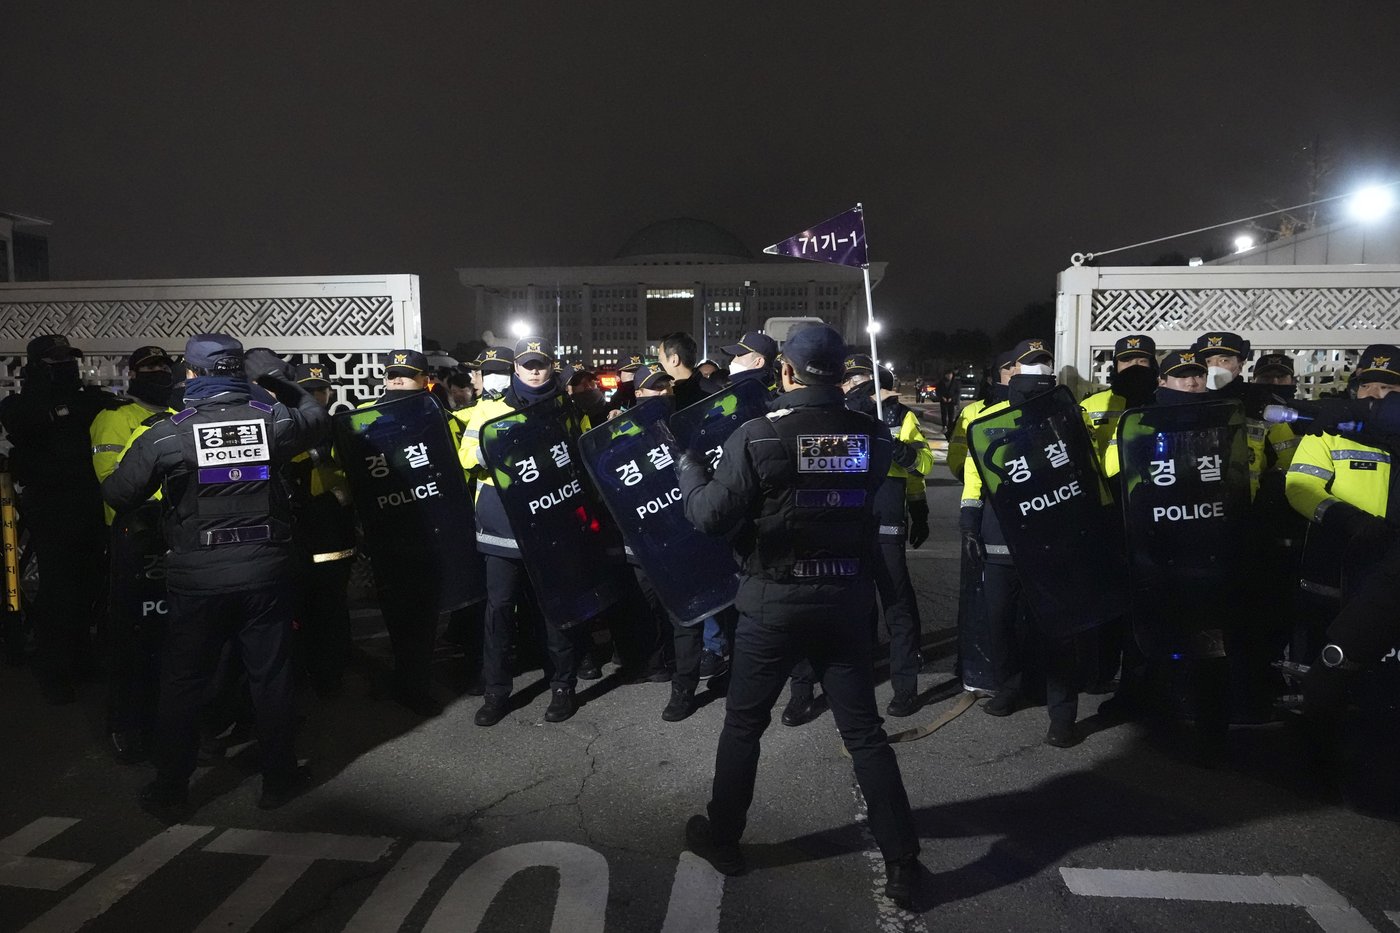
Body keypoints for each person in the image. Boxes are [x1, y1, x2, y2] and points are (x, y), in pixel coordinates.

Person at [677, 324, 920, 908]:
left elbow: (710, 517)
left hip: (773, 602)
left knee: (744, 725)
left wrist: (689, 472)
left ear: (786, 371)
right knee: (864, 734)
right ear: (841, 373)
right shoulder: (870, 435)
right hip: (844, 600)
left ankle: (725, 839)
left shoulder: (758, 435)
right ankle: (904, 863)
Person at [102, 335, 328, 811]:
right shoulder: (274, 420)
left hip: (197, 579)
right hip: (266, 573)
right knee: (270, 677)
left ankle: (171, 790)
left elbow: (120, 495)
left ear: (190, 374)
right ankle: (279, 779)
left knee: (185, 682)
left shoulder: (165, 434)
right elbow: (315, 419)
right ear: (239, 373)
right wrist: (277, 380)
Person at [460, 336, 591, 726]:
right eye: (527, 365)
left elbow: (581, 459)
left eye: (541, 364)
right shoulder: (490, 411)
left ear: (552, 367)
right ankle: (496, 692)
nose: (534, 371)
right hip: (502, 526)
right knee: (499, 612)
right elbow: (467, 458)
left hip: (552, 524)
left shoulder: (567, 410)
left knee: (556, 610)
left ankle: (563, 687)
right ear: (515, 368)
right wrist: (499, 445)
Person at [962, 339, 1085, 747]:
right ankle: (1009, 689)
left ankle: (1062, 713)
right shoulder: (989, 418)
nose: (1036, 375)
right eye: (1028, 367)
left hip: (1054, 537)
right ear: (1011, 373)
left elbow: (1084, 472)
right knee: (1000, 621)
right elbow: (975, 473)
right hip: (1001, 537)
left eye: (1044, 367)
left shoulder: (1067, 416)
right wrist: (969, 520)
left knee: (1058, 628)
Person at [0, 334, 116, 704]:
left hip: (89, 503)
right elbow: (24, 423)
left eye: (69, 358)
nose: (66, 365)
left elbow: (100, 411)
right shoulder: (20, 404)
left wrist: (64, 414)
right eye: (56, 360)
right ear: (37, 365)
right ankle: (56, 671)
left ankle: (82, 661)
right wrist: (61, 415)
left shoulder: (88, 398)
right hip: (50, 507)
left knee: (90, 584)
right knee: (58, 590)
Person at [91, 345, 177, 760]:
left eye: (164, 366)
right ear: (133, 374)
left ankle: (176, 726)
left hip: (176, 534)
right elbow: (113, 481)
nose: (159, 373)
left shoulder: (181, 413)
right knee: (133, 638)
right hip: (136, 535)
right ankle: (127, 727)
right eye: (149, 368)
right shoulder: (114, 418)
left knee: (179, 637)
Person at [285, 363, 356, 698]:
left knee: (331, 607)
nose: (316, 396)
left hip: (332, 533)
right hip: (294, 534)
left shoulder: (340, 428)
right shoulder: (282, 428)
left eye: (320, 389)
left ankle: (331, 674)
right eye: (308, 390)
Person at [659, 332, 723, 408]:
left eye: (660, 360)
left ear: (674, 360)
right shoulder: (715, 391)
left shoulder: (710, 394)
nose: (658, 366)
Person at [936, 369, 958, 437]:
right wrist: (942, 397)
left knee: (951, 415)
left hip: (952, 401)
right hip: (943, 401)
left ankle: (950, 428)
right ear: (945, 375)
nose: (949, 376)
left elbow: (957, 392)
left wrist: (952, 398)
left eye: (950, 374)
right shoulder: (941, 382)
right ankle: (944, 426)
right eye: (948, 375)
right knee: (944, 414)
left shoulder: (955, 383)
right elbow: (938, 391)